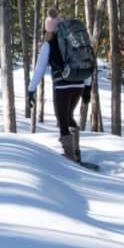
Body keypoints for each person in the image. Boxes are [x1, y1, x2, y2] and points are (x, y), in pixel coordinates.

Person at [27, 14, 98, 164]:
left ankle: (71, 159)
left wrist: (31, 90)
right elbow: (85, 61)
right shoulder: (74, 41)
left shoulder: (49, 45)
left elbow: (39, 69)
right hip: (78, 85)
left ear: (48, 29)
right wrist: (86, 87)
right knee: (68, 117)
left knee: (63, 121)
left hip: (62, 86)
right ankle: (76, 153)